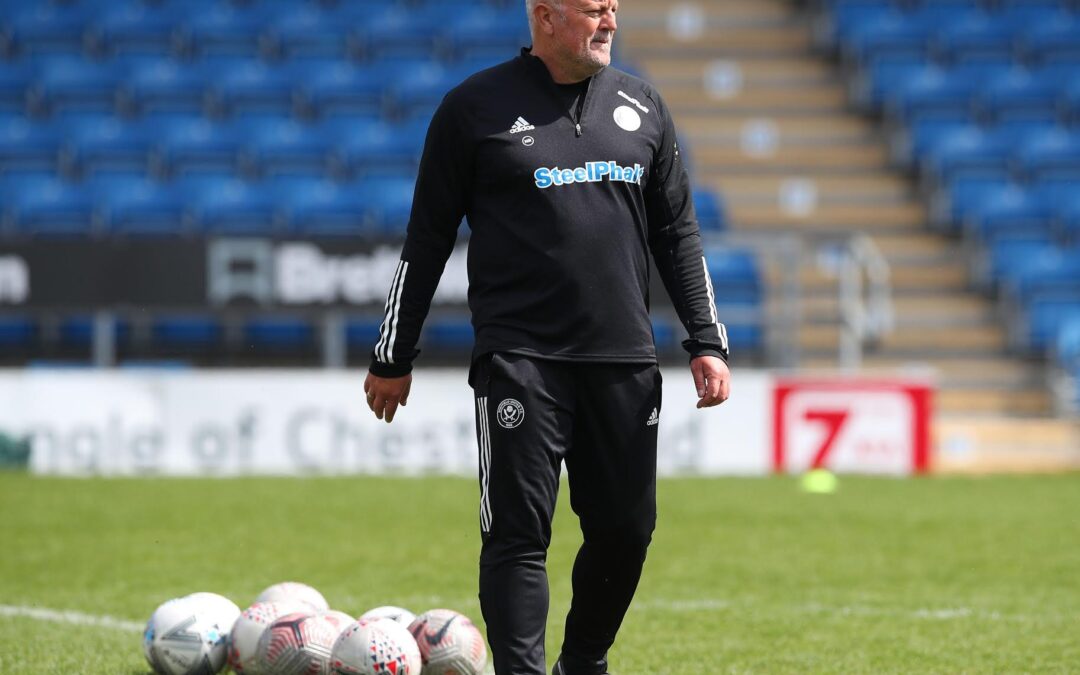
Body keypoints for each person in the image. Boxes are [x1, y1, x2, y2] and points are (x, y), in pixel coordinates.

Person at [364, 0, 731, 672]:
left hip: (623, 360)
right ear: (547, 17)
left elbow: (677, 232)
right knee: (517, 535)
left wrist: (705, 338)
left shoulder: (644, 106)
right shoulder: (472, 108)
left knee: (626, 531)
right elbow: (427, 239)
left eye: (614, 9)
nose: (610, 23)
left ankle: (582, 661)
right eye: (594, 10)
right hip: (521, 357)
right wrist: (395, 352)